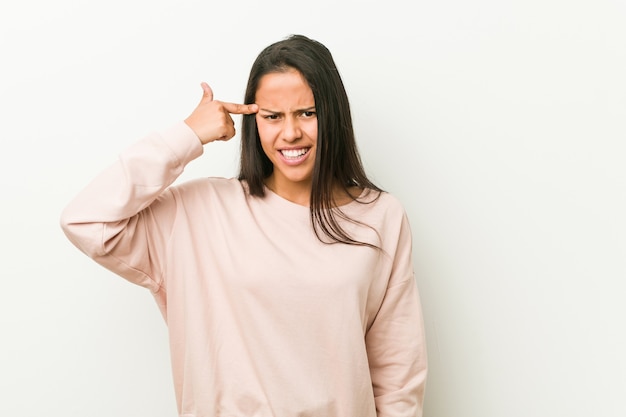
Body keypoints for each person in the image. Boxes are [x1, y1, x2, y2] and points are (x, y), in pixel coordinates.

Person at [61, 34, 427, 417]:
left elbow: (399, 375)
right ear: (253, 120)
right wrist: (187, 135)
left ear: (333, 115)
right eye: (273, 116)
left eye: (307, 113)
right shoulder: (199, 212)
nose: (290, 134)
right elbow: (85, 219)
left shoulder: (381, 216)